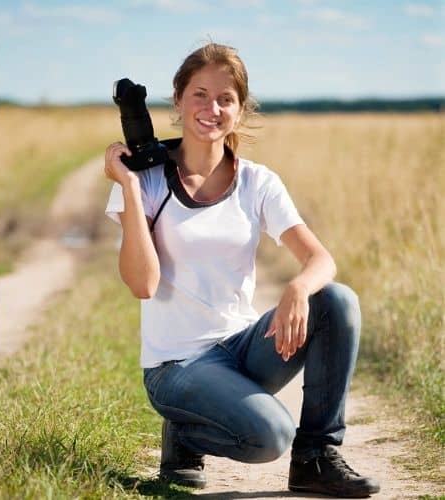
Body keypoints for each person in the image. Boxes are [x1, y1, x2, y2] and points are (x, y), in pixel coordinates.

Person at [103, 43, 380, 497]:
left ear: (240, 109)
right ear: (177, 100)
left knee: (336, 300)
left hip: (241, 350)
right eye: (200, 94)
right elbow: (142, 283)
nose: (212, 109)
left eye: (226, 99)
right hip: (176, 366)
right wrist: (131, 189)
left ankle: (315, 458)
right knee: (270, 436)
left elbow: (321, 260)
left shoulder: (257, 182)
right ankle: (184, 433)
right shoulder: (147, 181)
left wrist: (297, 286)